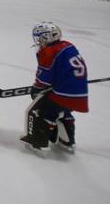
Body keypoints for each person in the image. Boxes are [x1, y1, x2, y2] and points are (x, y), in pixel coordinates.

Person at [21, 22, 88, 154]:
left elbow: (44, 78)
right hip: (80, 92)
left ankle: (39, 143)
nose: (38, 41)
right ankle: (68, 140)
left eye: (40, 37)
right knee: (64, 112)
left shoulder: (48, 51)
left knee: (41, 111)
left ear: (46, 37)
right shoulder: (68, 45)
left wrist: (37, 88)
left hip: (63, 92)